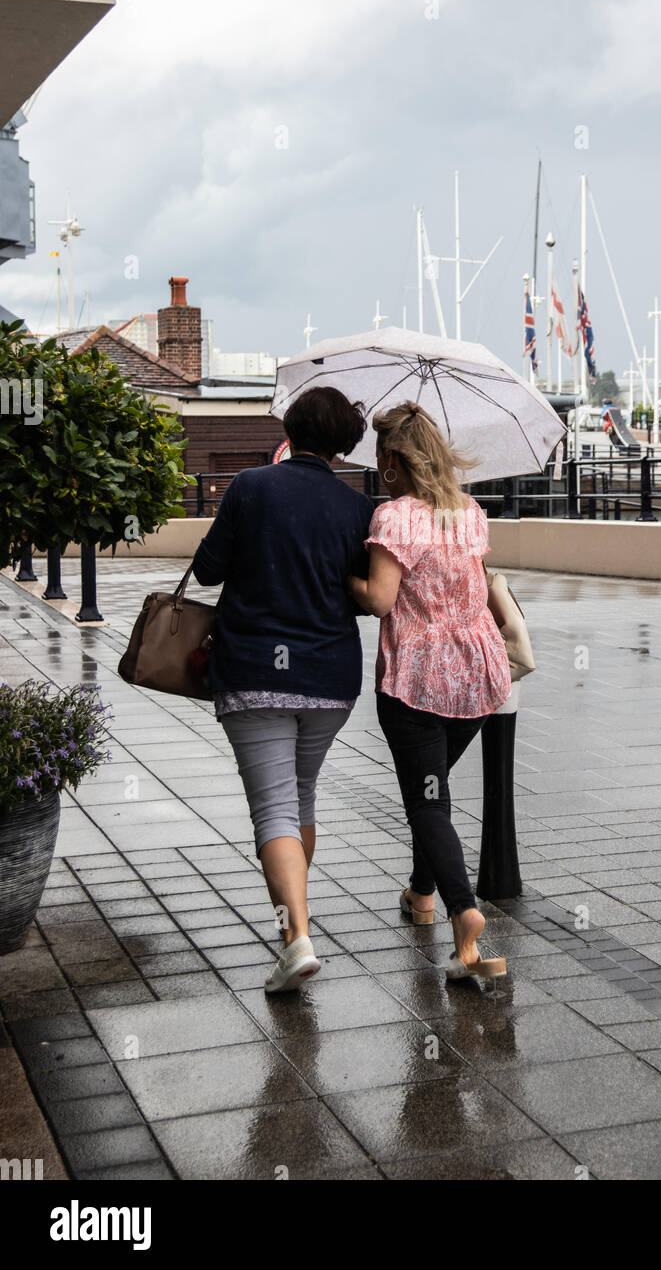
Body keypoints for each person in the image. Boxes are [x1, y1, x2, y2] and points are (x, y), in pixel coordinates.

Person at [192, 386, 371, 993]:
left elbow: (209, 568)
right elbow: (364, 594)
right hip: (330, 678)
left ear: (290, 430)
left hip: (254, 673)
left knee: (274, 809)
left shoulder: (249, 486)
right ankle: (293, 920)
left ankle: (296, 937)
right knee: (301, 798)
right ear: (343, 443)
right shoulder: (357, 508)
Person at [348, 401, 512, 980]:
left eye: (378, 455)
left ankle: (464, 913)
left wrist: (343, 574)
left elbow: (379, 600)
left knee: (428, 801)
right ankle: (422, 893)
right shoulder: (468, 512)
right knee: (433, 788)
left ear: (393, 459)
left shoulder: (394, 518)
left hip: (416, 680)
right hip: (475, 676)